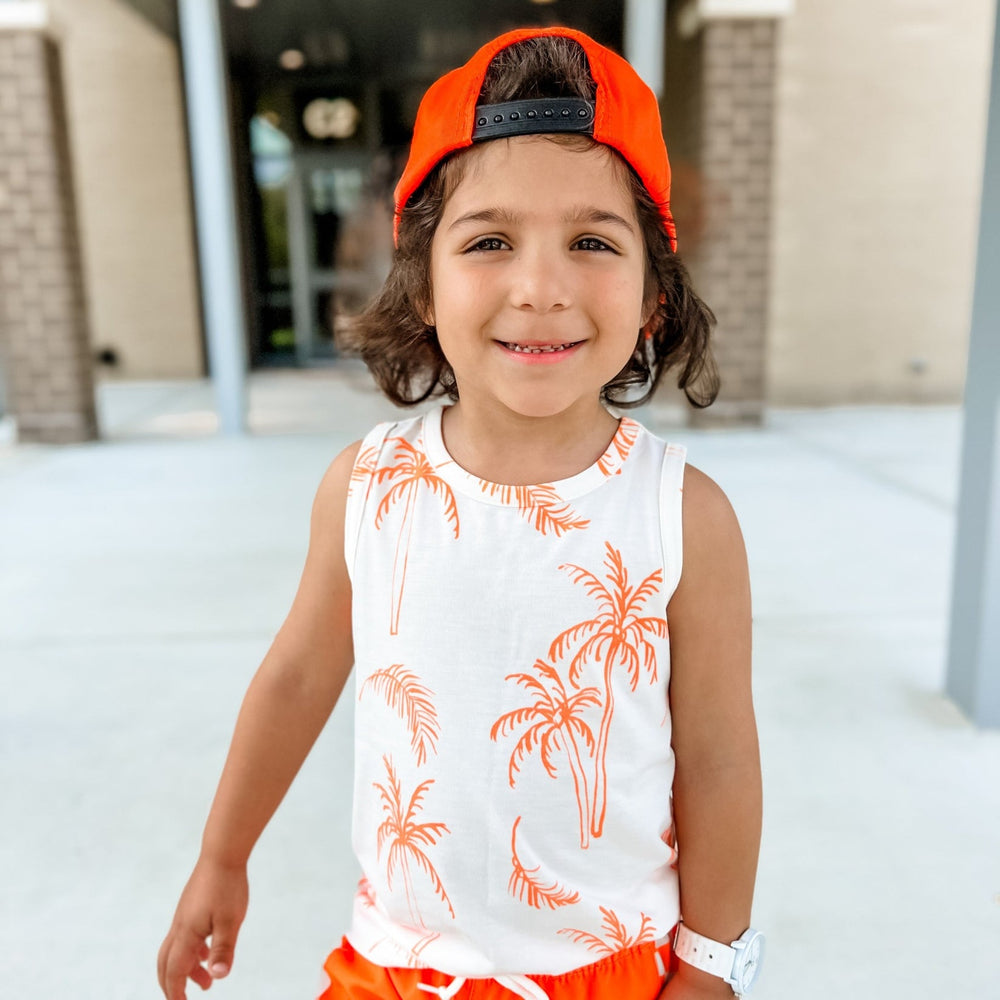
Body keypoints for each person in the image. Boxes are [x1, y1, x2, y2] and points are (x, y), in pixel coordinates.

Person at [157, 26, 763, 1000]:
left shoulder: (684, 513)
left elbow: (721, 757)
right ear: (423, 285)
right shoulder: (365, 484)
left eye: (592, 242)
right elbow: (297, 677)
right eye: (488, 241)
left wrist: (712, 963)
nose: (539, 287)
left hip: (613, 974)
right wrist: (221, 855)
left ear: (652, 294)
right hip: (394, 968)